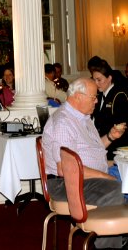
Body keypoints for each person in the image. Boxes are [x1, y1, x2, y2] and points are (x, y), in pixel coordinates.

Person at [42, 77, 127, 249]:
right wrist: (105, 176)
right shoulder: (64, 122)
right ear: (78, 97)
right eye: (93, 97)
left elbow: (91, 151)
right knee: (117, 189)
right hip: (64, 184)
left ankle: (121, 237)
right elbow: (65, 169)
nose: (97, 100)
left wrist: (110, 137)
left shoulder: (83, 118)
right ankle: (109, 245)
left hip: (86, 176)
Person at [91, 60, 128, 160]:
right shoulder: (99, 95)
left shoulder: (119, 96)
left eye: (99, 80)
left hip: (115, 150)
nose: (96, 83)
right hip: (102, 145)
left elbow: (121, 128)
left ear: (109, 78)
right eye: (94, 80)